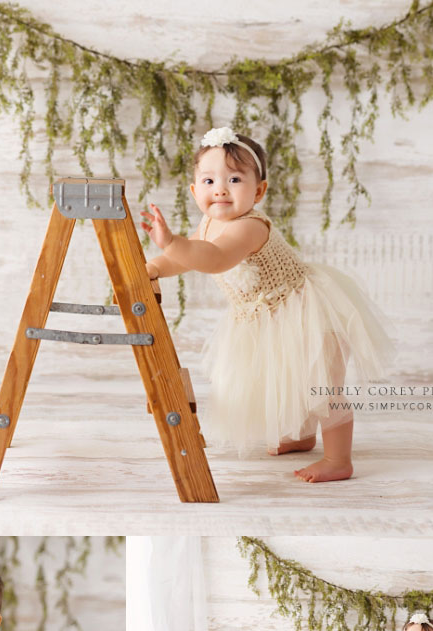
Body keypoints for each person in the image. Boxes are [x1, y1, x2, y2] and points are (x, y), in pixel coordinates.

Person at [142, 126, 391, 481]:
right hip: (266, 317)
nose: (221, 189)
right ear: (195, 190)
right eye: (209, 181)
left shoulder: (249, 228)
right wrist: (155, 266)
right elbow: (189, 257)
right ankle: (303, 437)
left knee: (319, 385)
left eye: (235, 179)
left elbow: (213, 259)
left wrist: (170, 243)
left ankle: (338, 460)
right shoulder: (209, 223)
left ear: (259, 191)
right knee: (289, 376)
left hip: (305, 312)